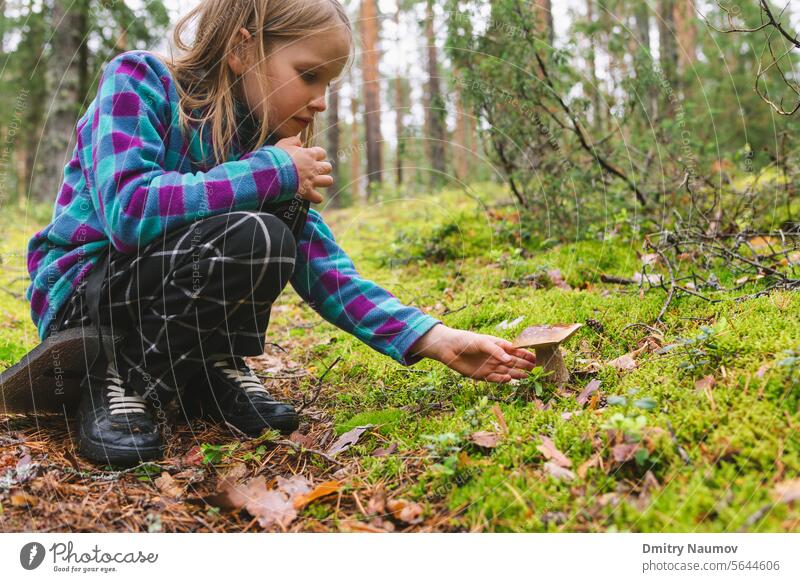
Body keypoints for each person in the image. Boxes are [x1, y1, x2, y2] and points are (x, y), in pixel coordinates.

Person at [24, 0, 536, 467]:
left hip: (165, 282)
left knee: (270, 234)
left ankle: (206, 365)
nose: (319, 102)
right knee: (253, 234)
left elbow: (325, 271)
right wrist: (271, 171)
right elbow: (129, 211)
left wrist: (435, 338)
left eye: (328, 84)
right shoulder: (139, 79)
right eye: (308, 75)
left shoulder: (263, 150)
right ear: (243, 48)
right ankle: (114, 373)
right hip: (86, 294)